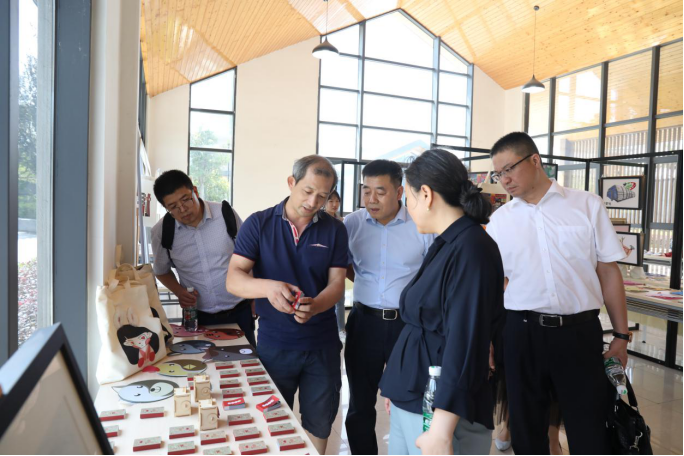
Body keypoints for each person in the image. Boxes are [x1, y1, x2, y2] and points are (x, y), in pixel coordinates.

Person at [486, 132, 630, 455]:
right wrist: (490, 339)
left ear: (535, 160)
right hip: (522, 334)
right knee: (527, 433)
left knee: (590, 430)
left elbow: (608, 272)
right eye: (498, 174)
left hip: (579, 333)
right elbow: (496, 285)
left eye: (509, 169)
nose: (504, 180)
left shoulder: (586, 205)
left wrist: (621, 336)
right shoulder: (499, 221)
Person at [379, 149, 505, 455]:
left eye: (408, 198)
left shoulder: (472, 248)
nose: (407, 209)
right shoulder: (447, 242)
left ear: (426, 194)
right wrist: (397, 383)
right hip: (413, 392)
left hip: (440, 410)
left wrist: (441, 431)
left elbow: (466, 342)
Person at [226, 156, 348, 456]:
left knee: (320, 423)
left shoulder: (334, 229)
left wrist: (316, 305)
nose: (313, 202)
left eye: (323, 196)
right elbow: (234, 279)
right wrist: (268, 288)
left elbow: (337, 283)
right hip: (275, 345)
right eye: (307, 191)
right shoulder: (259, 223)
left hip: (322, 346)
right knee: (271, 420)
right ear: (291, 182)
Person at [344, 160, 434, 455]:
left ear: (399, 192)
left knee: (409, 400)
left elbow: (432, 274)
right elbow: (346, 266)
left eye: (380, 192)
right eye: (366, 190)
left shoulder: (421, 225)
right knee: (360, 404)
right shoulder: (352, 224)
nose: (371, 199)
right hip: (364, 322)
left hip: (407, 326)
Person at [150, 170, 256, 348]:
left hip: (240, 311)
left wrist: (256, 297)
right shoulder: (162, 231)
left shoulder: (225, 214)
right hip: (196, 317)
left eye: (185, 199)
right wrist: (179, 291)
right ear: (165, 207)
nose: (182, 209)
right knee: (201, 362)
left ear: (195, 191)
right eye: (173, 206)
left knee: (245, 360)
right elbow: (161, 271)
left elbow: (250, 255)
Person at [323, 190, 347, 342]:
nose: (334, 204)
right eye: (331, 201)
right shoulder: (321, 221)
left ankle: (341, 329)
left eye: (337, 201)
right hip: (324, 267)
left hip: (339, 265)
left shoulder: (342, 222)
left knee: (340, 300)